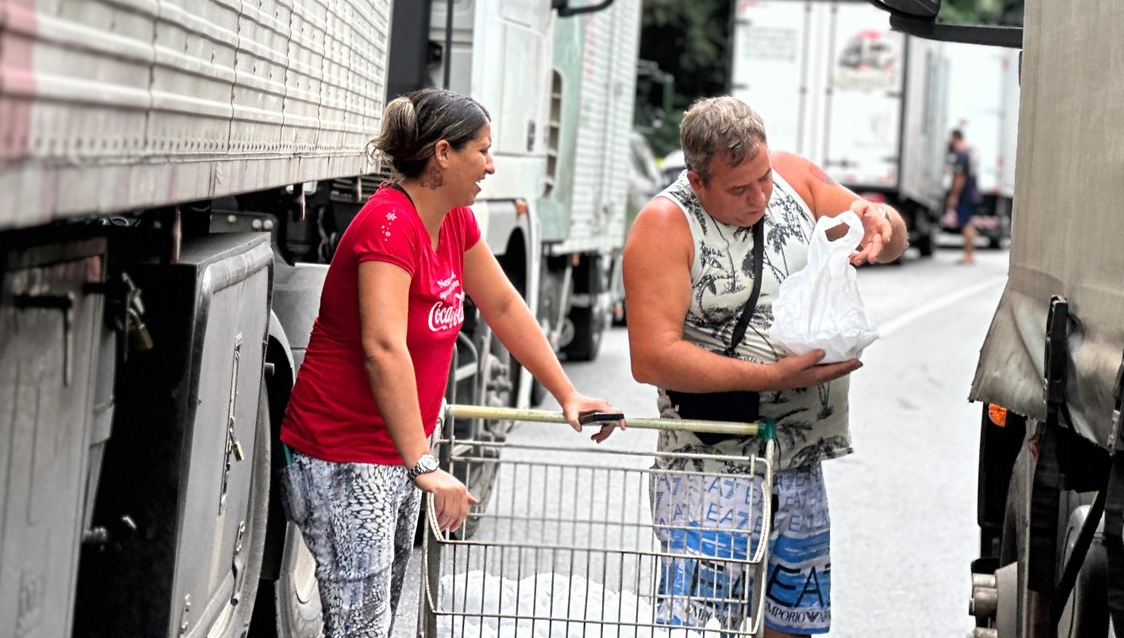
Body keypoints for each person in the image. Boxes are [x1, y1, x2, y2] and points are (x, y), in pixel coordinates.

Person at [279, 89, 621, 638]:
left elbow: (505, 305)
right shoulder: (389, 226)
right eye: (482, 151)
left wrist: (567, 394)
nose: (491, 164)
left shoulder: (455, 221)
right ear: (443, 153)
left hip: (397, 451)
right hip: (346, 454)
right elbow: (382, 347)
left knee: (374, 623)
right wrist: (424, 466)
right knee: (360, 630)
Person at [622, 97, 909, 638]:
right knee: (702, 627)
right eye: (738, 189)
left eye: (763, 178)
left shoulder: (795, 176)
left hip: (797, 461)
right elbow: (652, 356)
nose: (759, 197)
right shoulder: (664, 223)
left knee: (791, 624)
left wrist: (881, 222)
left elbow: (887, 235)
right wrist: (775, 379)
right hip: (712, 470)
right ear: (697, 180)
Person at [945, 128, 982, 265]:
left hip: (965, 195)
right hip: (972, 192)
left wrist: (954, 195)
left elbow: (960, 177)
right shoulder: (971, 151)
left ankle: (967, 255)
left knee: (966, 225)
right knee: (969, 224)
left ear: (955, 138)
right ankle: (969, 254)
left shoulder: (961, 154)